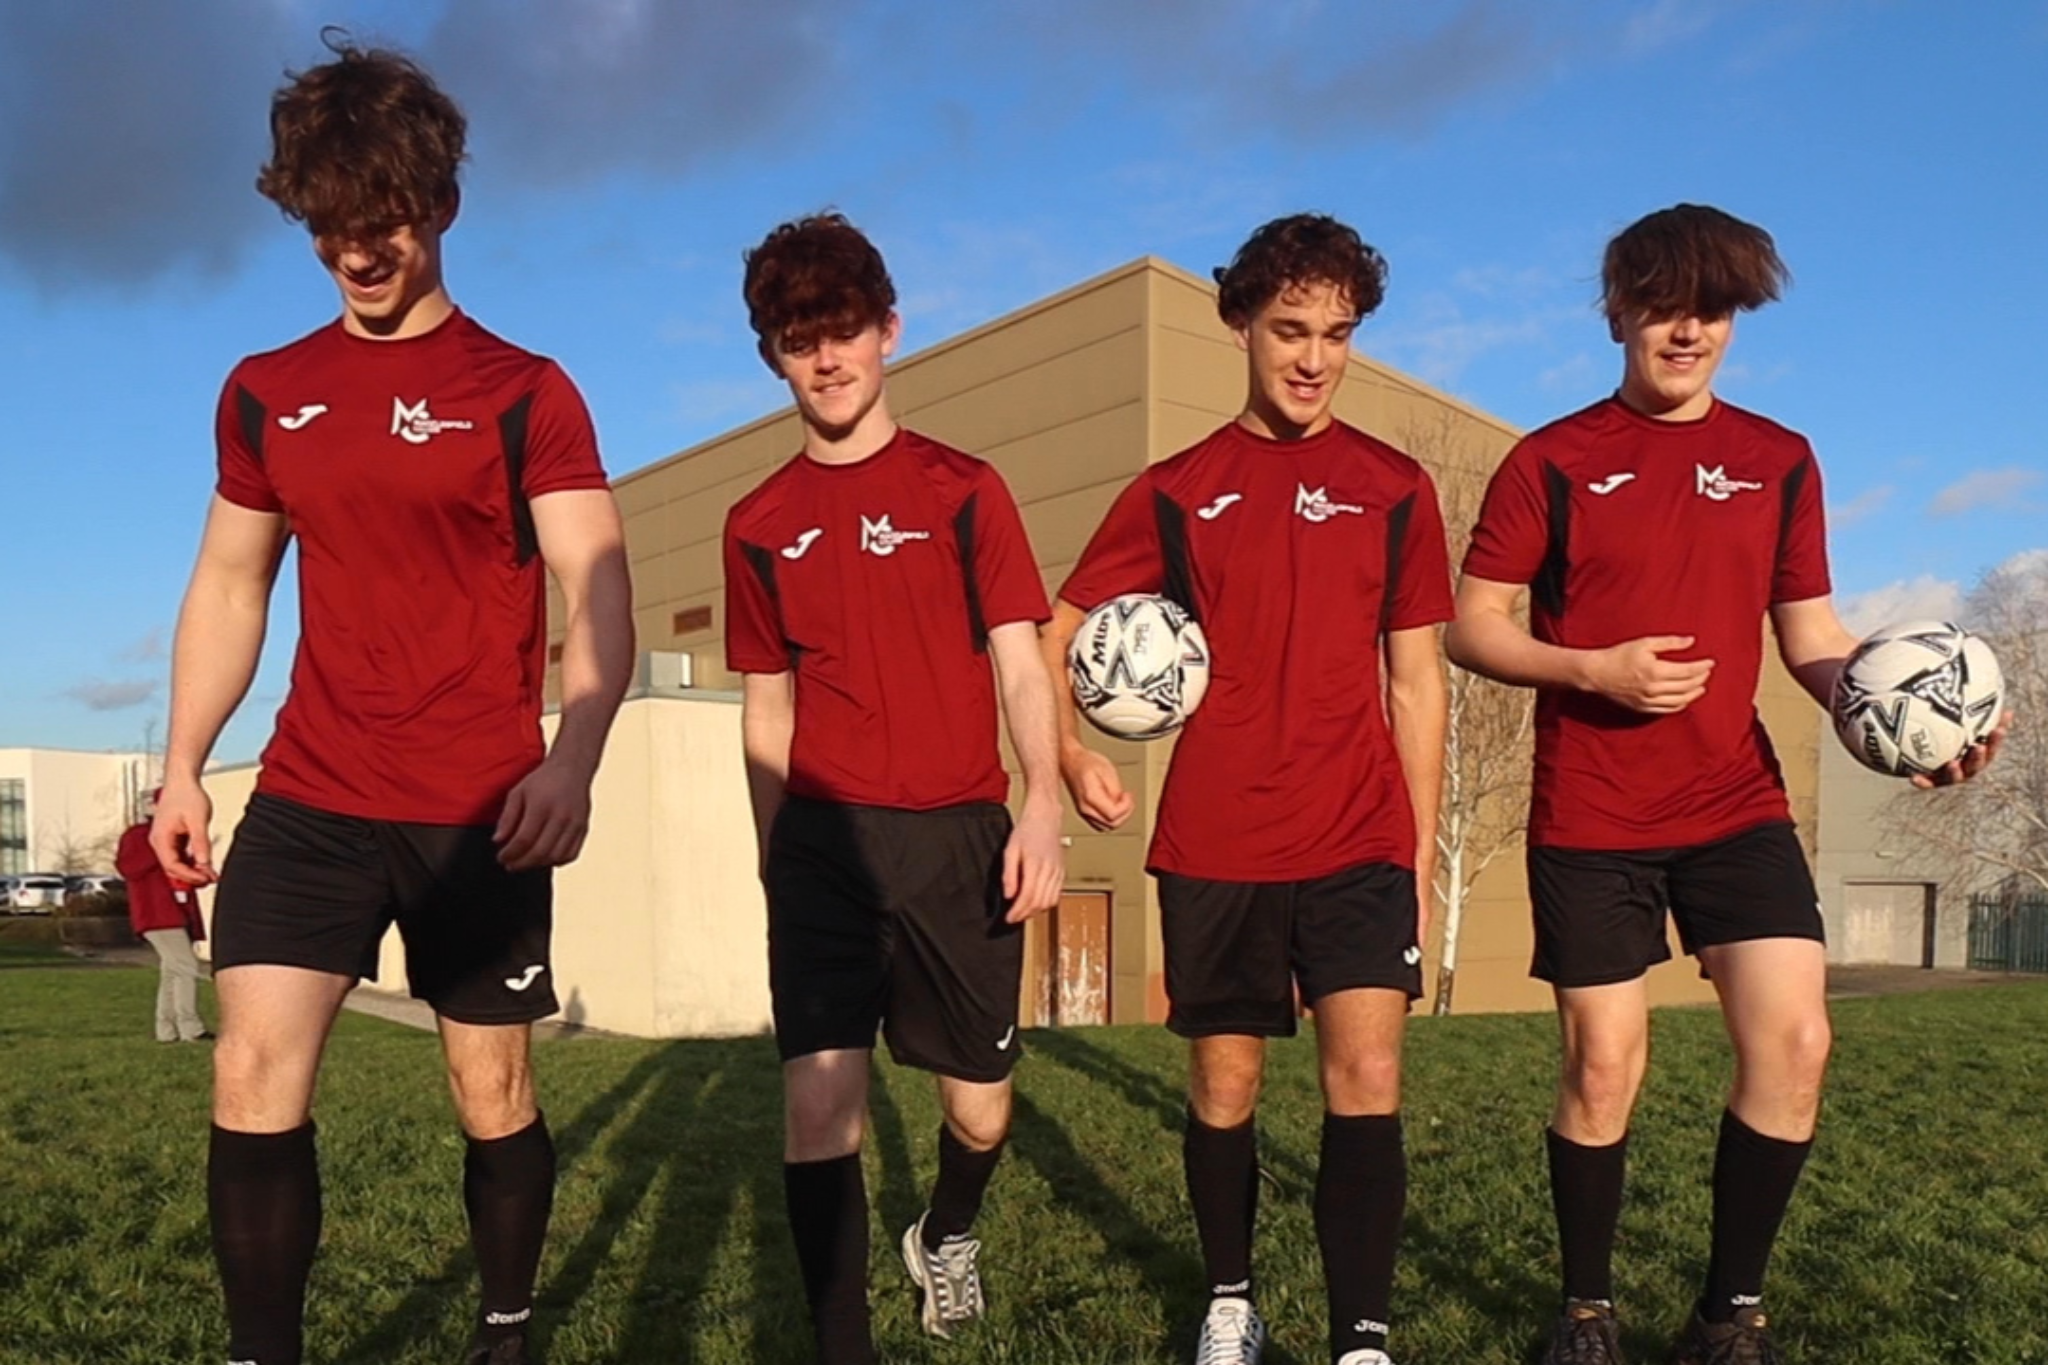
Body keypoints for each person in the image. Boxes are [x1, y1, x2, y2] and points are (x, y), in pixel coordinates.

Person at [1447, 203, 2005, 1365]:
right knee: (1602, 1065)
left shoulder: (1776, 460)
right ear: (1616, 311)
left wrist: (1894, 729)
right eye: (1661, 307)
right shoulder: (1550, 461)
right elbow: (1472, 625)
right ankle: (1585, 1313)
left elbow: (1810, 639)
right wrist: (1587, 668)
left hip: (1730, 804)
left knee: (1795, 1044)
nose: (1685, 331)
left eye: (1710, 310)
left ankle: (1724, 1319)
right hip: (1590, 809)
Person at [149, 36, 634, 1365]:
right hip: (313, 790)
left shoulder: (524, 392)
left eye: (383, 219)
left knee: (492, 1088)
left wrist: (574, 756)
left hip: (482, 809)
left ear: (442, 205)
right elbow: (230, 584)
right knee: (249, 1070)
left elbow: (597, 583)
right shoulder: (267, 392)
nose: (357, 250)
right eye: (328, 223)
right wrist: (184, 763)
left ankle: (504, 1334)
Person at [1045, 213, 1452, 1365]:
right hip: (1216, 838)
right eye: (1289, 330)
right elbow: (1053, 631)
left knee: (1366, 1074)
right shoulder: (1175, 491)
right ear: (1238, 325)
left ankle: (1360, 1339)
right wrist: (1069, 752)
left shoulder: (1392, 486)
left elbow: (1415, 682)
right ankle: (1229, 1303)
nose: (1313, 358)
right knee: (1225, 1085)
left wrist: (1416, 857)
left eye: (1336, 333)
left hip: (1358, 835)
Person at [724, 213, 1065, 1365]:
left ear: (889, 332)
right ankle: (843, 1345)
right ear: (773, 356)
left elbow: (1022, 664)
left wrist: (1042, 803)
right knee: (819, 1103)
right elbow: (766, 707)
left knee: (979, 1106)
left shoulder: (964, 491)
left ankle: (945, 1231)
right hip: (823, 845)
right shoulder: (756, 524)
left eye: (843, 331)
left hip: (960, 839)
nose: (825, 359)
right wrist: (774, 856)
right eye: (797, 339)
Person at [117, 789, 211, 1043]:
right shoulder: (140, 836)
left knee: (172, 971)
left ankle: (167, 1030)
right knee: (186, 966)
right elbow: (128, 867)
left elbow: (184, 877)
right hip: (157, 915)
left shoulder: (180, 841)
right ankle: (191, 1027)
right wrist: (162, 846)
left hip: (177, 914)